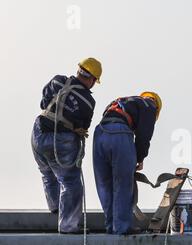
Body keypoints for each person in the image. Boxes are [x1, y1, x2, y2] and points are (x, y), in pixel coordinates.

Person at [31, 57, 102, 234]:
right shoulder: (88, 102)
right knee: (71, 182)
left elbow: (43, 102)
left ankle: (55, 210)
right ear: (92, 80)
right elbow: (83, 127)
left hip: (38, 133)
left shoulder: (57, 80)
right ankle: (68, 225)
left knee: (47, 172)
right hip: (61, 141)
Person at [93, 92, 162, 235]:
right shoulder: (149, 105)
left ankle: (111, 225)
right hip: (120, 134)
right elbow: (144, 136)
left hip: (99, 133)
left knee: (104, 184)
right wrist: (139, 157)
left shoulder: (121, 101)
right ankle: (122, 227)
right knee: (123, 183)